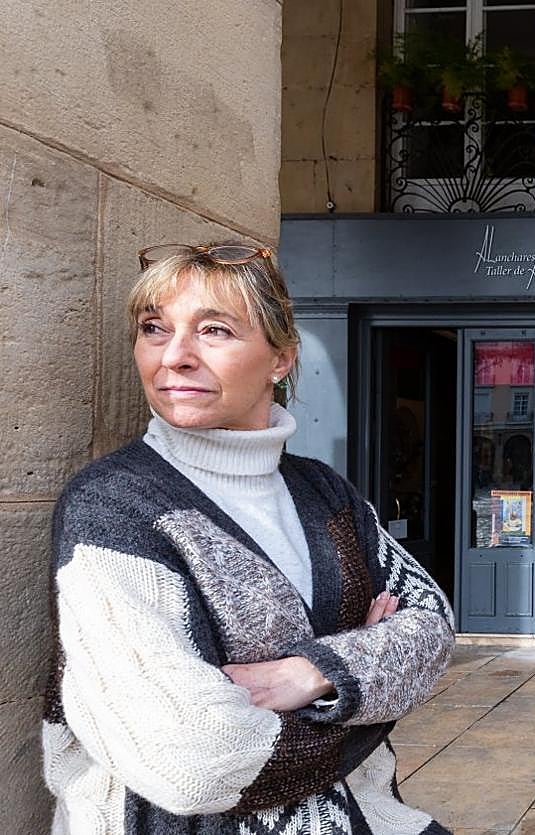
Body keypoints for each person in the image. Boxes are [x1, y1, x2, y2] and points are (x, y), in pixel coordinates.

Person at [42, 242, 455, 834]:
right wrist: (371, 687)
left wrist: (310, 673)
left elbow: (433, 627)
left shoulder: (324, 492)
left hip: (369, 818)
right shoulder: (116, 506)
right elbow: (194, 760)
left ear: (280, 358)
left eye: (214, 330)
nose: (175, 356)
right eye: (154, 329)